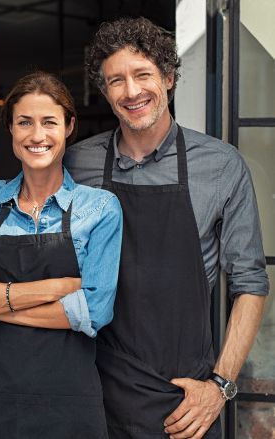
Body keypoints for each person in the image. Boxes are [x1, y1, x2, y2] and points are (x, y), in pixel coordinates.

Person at [64, 17, 269, 439]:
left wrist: (220, 386)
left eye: (142, 74)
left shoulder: (220, 165)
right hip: (90, 389)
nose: (131, 91)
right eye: (116, 80)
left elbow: (250, 283)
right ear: (104, 92)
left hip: (184, 401)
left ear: (169, 77)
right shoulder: (76, 163)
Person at [0, 71, 123, 438]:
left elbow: (95, 311)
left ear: (69, 126)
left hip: (70, 404)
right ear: (10, 129)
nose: (37, 136)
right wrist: (58, 288)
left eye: (49, 122)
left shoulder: (100, 208)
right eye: (24, 122)